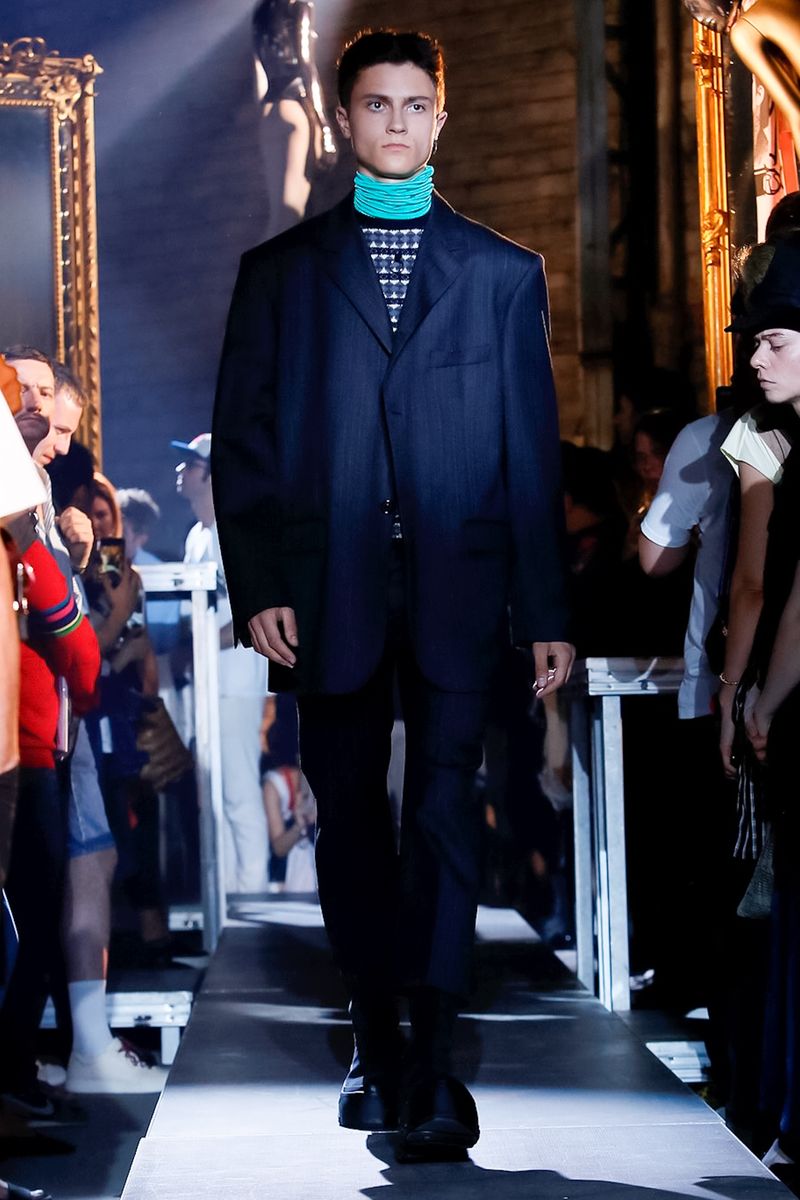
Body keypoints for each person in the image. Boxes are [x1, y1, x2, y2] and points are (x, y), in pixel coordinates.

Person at [212, 29, 573, 1153]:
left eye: (417, 105)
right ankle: (373, 1036)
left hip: (461, 585)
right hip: (328, 589)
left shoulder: (503, 275)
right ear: (345, 118)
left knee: (445, 814)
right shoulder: (280, 273)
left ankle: (432, 1060)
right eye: (378, 104)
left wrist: (545, 610)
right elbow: (245, 444)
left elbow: (531, 455)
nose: (398, 123)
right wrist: (261, 583)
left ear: (441, 119)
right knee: (351, 819)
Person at [174, 433, 270, 895]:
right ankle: (229, 895)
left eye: (191, 464)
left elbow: (255, 612)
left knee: (237, 788)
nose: (181, 471)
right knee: (212, 792)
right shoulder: (197, 536)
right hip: (207, 680)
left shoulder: (239, 533)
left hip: (235, 679)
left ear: (214, 475)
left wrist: (201, 644)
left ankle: (251, 890)